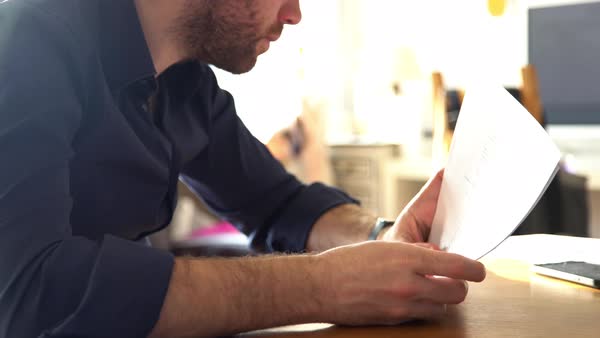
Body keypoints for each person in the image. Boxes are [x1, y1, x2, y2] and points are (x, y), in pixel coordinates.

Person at [0, 0, 486, 337]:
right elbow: (33, 291)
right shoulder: (27, 42)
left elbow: (279, 204)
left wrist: (382, 237)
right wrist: (321, 285)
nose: (295, 14)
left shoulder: (187, 84)